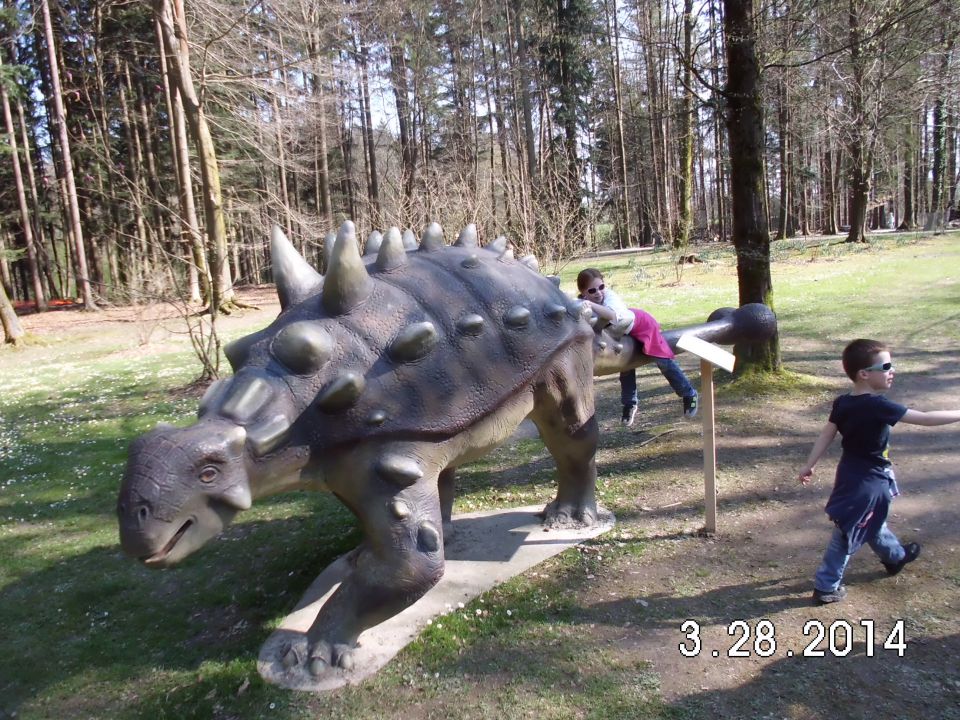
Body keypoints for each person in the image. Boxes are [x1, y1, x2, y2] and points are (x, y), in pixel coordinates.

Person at [798, 338, 960, 605]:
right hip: (867, 481)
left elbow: (827, 434)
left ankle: (894, 557)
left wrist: (810, 464)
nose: (892, 370)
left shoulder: (843, 403)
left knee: (870, 519)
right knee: (848, 530)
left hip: (853, 474)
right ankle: (826, 586)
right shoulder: (878, 406)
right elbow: (926, 417)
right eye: (886, 366)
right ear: (864, 374)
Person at [576, 268, 698, 426]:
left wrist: (590, 304)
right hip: (619, 333)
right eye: (592, 290)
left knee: (662, 360)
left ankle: (689, 393)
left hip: (641, 325)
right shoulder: (582, 304)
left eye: (601, 287)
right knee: (624, 365)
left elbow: (612, 316)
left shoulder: (609, 297)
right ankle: (629, 403)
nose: (599, 293)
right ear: (583, 292)